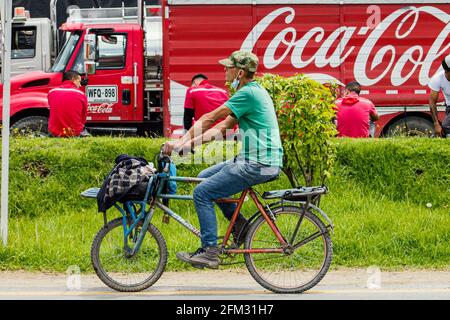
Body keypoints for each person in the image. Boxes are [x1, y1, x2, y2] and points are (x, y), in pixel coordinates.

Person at [163, 51, 283, 269]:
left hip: (258, 163)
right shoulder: (251, 92)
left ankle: (210, 251)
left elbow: (210, 118)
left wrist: (179, 142)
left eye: (228, 67)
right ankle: (242, 227)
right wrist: (186, 145)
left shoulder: (248, 94)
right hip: (254, 160)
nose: (224, 70)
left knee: (202, 192)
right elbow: (221, 127)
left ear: (240, 72)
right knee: (203, 177)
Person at [48, 70, 89, 137]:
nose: (80, 85)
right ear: (73, 79)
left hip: (54, 132)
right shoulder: (81, 94)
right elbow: (83, 118)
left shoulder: (52, 92)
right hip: (74, 132)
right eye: (79, 81)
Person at [429, 55, 450, 138]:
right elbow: (432, 102)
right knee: (443, 129)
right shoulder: (437, 79)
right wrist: (436, 123)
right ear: (446, 71)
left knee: (446, 126)